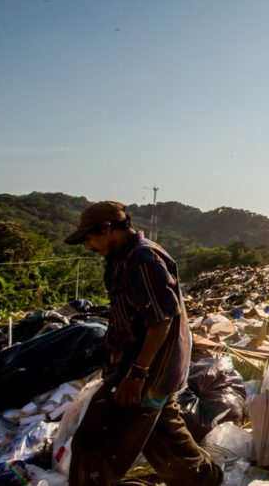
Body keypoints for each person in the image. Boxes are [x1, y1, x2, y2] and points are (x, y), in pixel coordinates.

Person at [63, 201, 222, 485]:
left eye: (90, 238)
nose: (89, 246)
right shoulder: (123, 258)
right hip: (142, 367)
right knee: (163, 440)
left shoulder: (143, 258)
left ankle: (207, 479)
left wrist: (137, 374)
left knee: (94, 444)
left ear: (106, 228)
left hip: (148, 370)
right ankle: (207, 480)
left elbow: (161, 321)